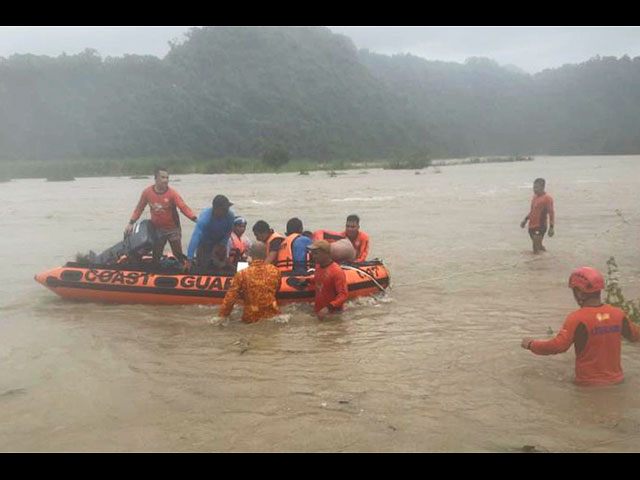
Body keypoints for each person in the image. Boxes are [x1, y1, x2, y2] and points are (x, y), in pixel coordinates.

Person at [521, 267, 639, 386]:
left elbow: (558, 346)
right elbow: (635, 336)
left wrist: (531, 344)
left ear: (580, 293)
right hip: (618, 382)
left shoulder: (576, 318)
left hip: (587, 385)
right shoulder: (618, 314)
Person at [125, 167, 197, 267]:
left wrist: (195, 219)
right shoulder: (147, 192)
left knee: (178, 254)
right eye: (163, 177)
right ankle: (154, 270)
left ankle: (185, 267)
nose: (166, 180)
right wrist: (131, 223)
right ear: (156, 178)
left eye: (167, 178)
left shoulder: (172, 193)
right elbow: (139, 208)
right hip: (157, 229)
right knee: (156, 255)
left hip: (173, 228)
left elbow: (183, 207)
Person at [218, 242, 282, 323]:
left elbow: (230, 299)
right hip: (273, 315)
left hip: (251, 317)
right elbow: (276, 289)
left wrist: (222, 316)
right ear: (266, 254)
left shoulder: (242, 273)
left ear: (250, 254)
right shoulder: (276, 271)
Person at [186, 195, 235, 269]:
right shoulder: (205, 218)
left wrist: (223, 243)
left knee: (221, 265)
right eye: (224, 209)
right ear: (215, 209)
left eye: (227, 209)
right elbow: (196, 236)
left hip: (220, 241)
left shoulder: (230, 215)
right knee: (203, 266)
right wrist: (189, 259)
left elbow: (229, 230)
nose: (226, 211)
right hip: (204, 242)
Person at [307, 240, 349, 320]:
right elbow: (320, 280)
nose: (313, 256)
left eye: (316, 253)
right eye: (312, 253)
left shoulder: (337, 271)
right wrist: (307, 281)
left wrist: (328, 308)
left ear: (326, 254)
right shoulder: (318, 267)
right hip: (319, 311)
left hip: (333, 314)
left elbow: (343, 295)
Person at [520, 178, 555, 254]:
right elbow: (533, 211)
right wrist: (525, 220)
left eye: (537, 187)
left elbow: (551, 213)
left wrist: (551, 227)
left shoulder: (547, 198)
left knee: (535, 249)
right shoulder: (534, 197)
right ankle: (547, 257)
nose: (534, 189)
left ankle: (537, 264)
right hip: (532, 225)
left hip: (540, 226)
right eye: (534, 187)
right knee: (538, 246)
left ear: (543, 187)